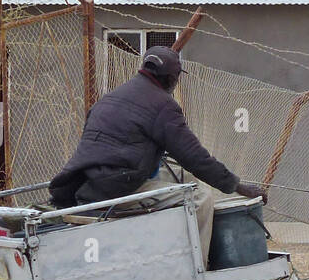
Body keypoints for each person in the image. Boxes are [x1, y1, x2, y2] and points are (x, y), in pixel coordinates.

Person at [49, 46, 266, 262]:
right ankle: (197, 268)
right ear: (172, 78)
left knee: (182, 176)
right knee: (200, 197)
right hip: (118, 188)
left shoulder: (111, 97)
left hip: (86, 183)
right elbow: (195, 158)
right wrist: (236, 186)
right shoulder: (164, 106)